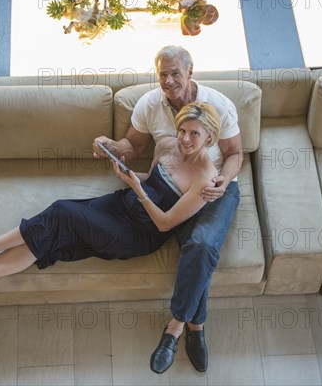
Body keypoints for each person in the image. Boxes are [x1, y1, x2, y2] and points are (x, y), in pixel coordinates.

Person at [0, 102, 221, 322]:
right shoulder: (168, 144)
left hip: (140, 232)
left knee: (61, 212)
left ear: (210, 136)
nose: (184, 139)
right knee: (53, 234)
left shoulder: (205, 180)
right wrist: (132, 176)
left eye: (194, 134)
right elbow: (151, 178)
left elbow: (165, 223)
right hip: (124, 203)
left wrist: (138, 188)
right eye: (182, 130)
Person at [94, 45, 242, 374]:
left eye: (175, 72)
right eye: (163, 73)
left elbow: (235, 153)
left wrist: (223, 180)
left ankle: (175, 326)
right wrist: (112, 148)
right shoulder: (150, 104)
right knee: (196, 250)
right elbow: (133, 147)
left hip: (215, 187)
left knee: (202, 245)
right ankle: (196, 327)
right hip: (173, 188)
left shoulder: (218, 105)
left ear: (191, 72)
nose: (169, 80)